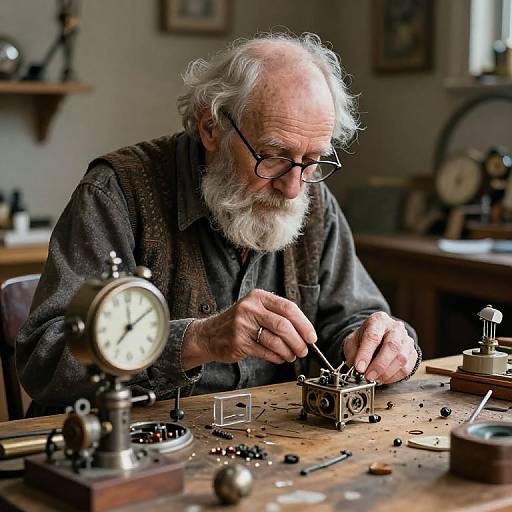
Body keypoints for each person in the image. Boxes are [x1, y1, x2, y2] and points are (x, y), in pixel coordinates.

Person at [17, 33, 421, 414]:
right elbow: (45, 359)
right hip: (131, 453)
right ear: (211, 127)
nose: (294, 188)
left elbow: (352, 318)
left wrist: (376, 342)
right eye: (273, 155)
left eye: (313, 161)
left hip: (275, 451)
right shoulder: (116, 193)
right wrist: (197, 340)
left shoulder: (313, 200)